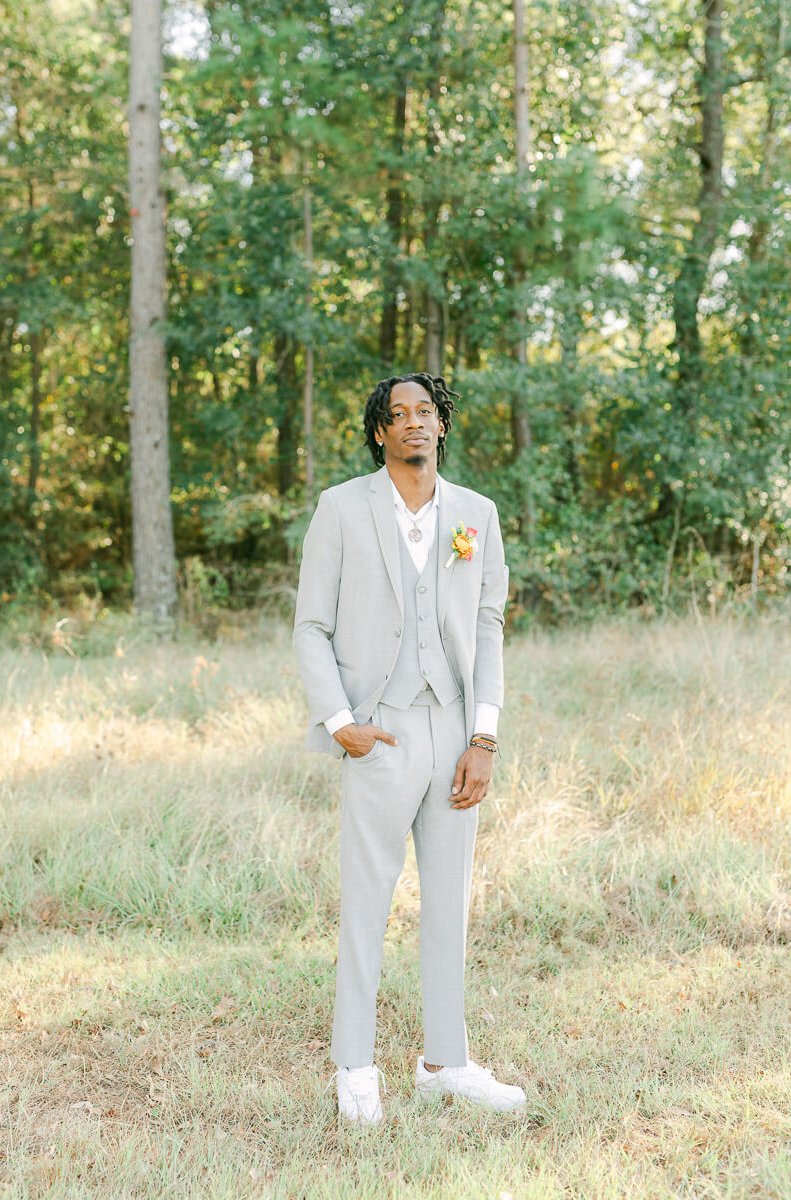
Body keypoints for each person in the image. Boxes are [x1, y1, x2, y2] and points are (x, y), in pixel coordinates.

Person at [293, 371, 526, 1124]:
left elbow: (488, 626)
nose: (414, 424)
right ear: (380, 433)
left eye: (426, 412)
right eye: (399, 415)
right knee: (367, 899)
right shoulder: (341, 509)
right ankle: (355, 1066)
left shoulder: (477, 516)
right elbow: (310, 627)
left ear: (442, 425)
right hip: (381, 730)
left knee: (449, 904)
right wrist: (339, 723)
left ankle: (445, 1062)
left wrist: (484, 736)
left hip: (456, 731)